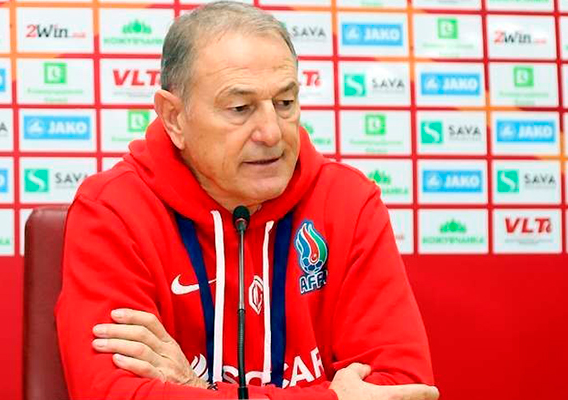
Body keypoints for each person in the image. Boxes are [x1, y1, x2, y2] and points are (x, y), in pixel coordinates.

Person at [56, 2, 438, 399]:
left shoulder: (348, 202)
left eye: (285, 103)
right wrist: (334, 397)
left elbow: (404, 389)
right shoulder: (113, 210)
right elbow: (113, 393)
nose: (272, 132)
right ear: (174, 117)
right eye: (240, 108)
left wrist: (195, 389)